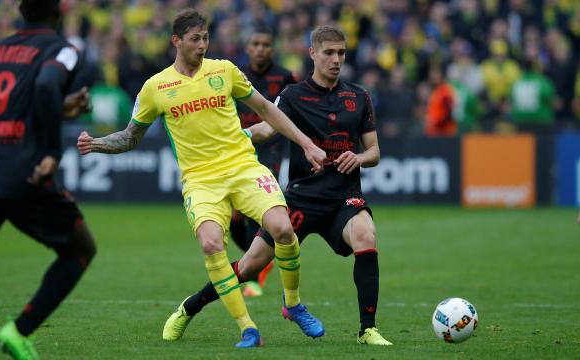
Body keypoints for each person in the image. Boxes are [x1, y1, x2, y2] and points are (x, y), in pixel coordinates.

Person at [76, 9, 326, 348]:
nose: (203, 45)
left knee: (283, 228)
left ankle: (293, 304)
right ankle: (246, 328)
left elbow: (267, 109)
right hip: (201, 181)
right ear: (176, 41)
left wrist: (307, 144)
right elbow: (131, 136)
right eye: (195, 39)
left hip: (242, 166)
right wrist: (97, 144)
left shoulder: (224, 71)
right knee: (211, 244)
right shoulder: (156, 87)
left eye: (206, 38)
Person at [162, 25, 393, 346]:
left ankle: (367, 330)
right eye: (328, 52)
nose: (336, 59)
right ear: (313, 54)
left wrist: (359, 157)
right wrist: (230, 140)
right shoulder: (294, 95)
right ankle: (189, 308)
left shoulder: (358, 97)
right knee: (249, 266)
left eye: (341, 53)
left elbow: (374, 152)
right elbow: (265, 130)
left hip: (344, 198)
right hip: (300, 198)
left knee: (366, 235)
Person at [0, 1, 96, 359]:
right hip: (23, 172)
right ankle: (18, 331)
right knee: (81, 250)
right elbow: (44, 85)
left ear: (21, 12)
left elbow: (14, 105)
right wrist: (51, 153)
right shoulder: (65, 50)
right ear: (58, 13)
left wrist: (59, 105)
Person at [231, 27, 296, 297]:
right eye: (255, 43)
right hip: (239, 147)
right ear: (248, 48)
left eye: (265, 44)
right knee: (234, 217)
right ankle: (257, 262)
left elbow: (289, 111)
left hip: (271, 148)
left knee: (259, 211)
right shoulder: (234, 74)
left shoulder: (284, 77)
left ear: (272, 48)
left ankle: (255, 272)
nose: (260, 49)